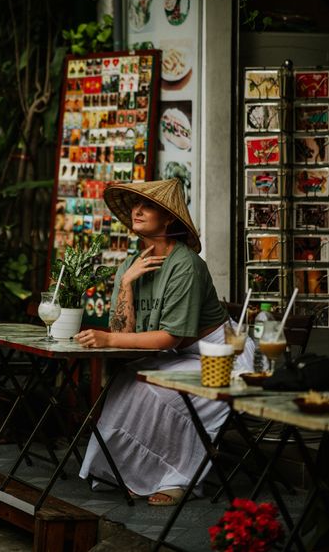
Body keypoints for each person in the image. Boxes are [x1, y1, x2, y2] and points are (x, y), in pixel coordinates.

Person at [74, 178, 254, 506]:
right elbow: (123, 331)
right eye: (133, 206)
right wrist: (126, 285)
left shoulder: (185, 264)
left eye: (147, 206)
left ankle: (177, 477)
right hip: (183, 355)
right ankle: (135, 473)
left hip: (224, 356)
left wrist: (109, 337)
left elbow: (172, 336)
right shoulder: (130, 265)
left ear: (168, 218)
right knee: (129, 380)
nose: (137, 211)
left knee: (157, 388)